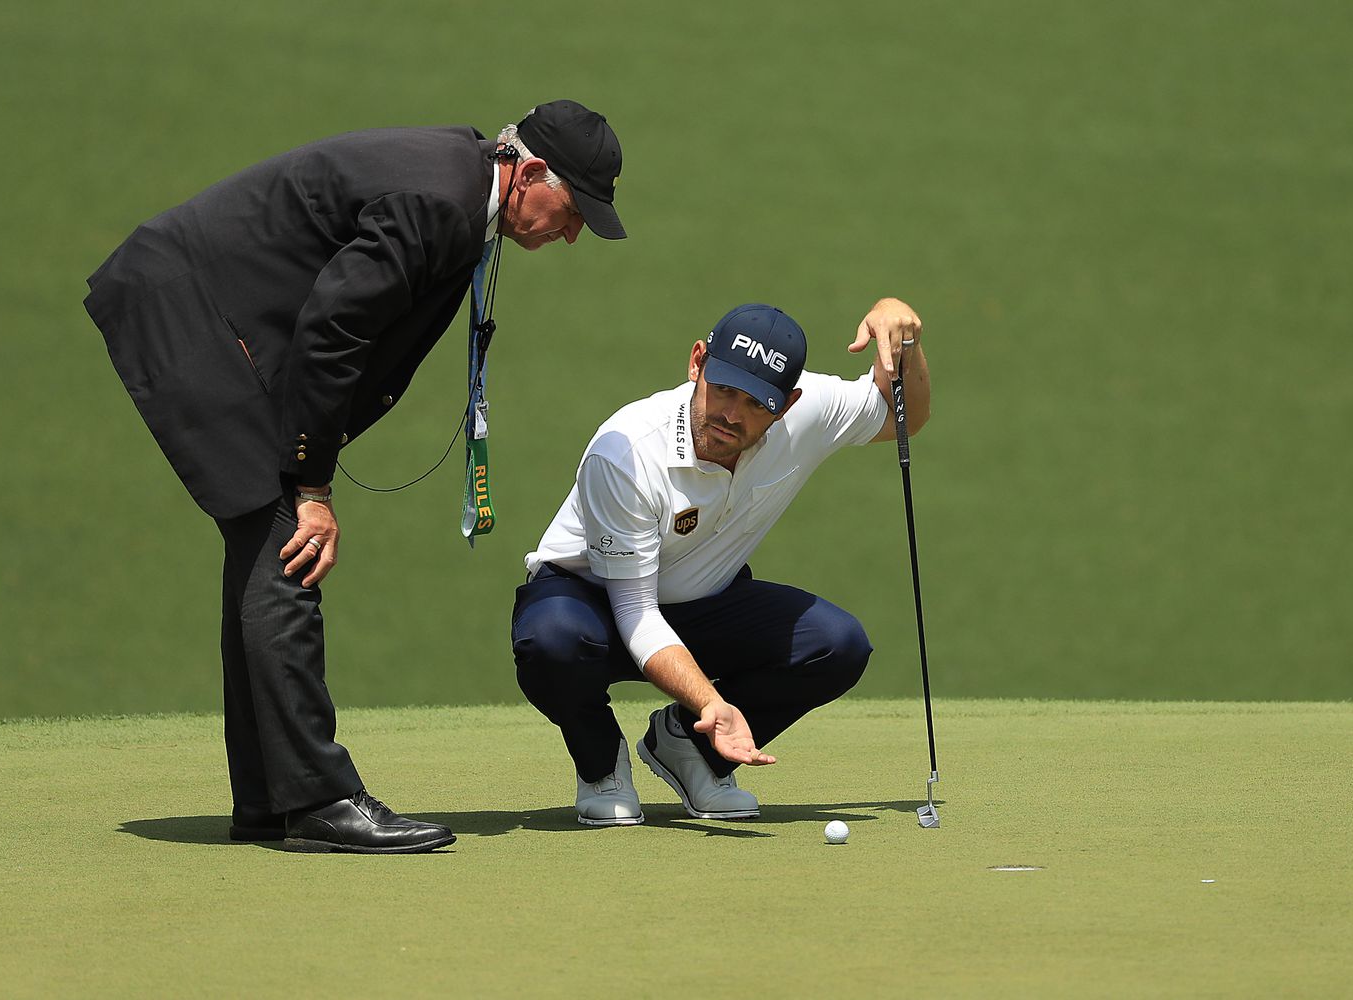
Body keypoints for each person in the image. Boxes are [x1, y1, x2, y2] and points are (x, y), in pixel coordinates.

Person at [84, 101, 627, 853]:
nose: (570, 234)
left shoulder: (463, 183)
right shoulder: (439, 202)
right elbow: (334, 325)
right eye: (570, 212)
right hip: (192, 319)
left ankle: (272, 801)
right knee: (286, 544)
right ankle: (314, 800)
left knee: (263, 550)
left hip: (210, 317)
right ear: (529, 171)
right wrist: (312, 485)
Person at [510, 299, 929, 824]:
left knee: (837, 645)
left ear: (788, 403)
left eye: (756, 403)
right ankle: (600, 764)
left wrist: (905, 341)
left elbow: (903, 415)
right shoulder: (627, 450)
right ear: (697, 362)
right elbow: (635, 612)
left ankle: (687, 748)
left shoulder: (810, 409)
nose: (732, 414)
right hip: (588, 603)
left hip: (703, 603)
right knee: (552, 643)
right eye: (724, 389)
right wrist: (712, 700)